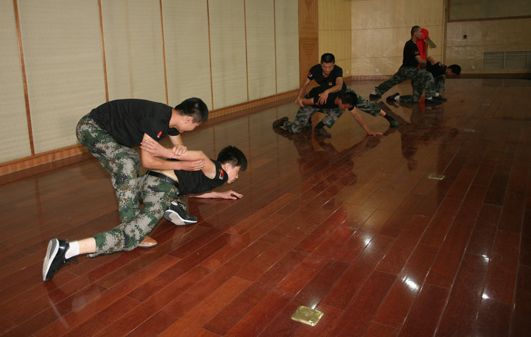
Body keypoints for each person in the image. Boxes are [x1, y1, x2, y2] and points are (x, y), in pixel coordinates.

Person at [42, 144, 247, 281]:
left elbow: (194, 192)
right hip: (161, 188)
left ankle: (174, 206)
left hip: (145, 181)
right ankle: (67, 249)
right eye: (237, 172)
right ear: (228, 165)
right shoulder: (219, 172)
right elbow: (200, 155)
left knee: (179, 198)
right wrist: (163, 150)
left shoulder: (211, 175)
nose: (236, 177)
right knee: (132, 235)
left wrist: (220, 194)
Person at [76, 97, 208, 247]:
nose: (195, 128)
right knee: (125, 164)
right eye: (196, 125)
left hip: (108, 133)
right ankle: (132, 231)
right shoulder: (157, 121)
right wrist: (182, 165)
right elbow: (148, 162)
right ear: (188, 119)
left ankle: (138, 194)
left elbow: (176, 137)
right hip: (91, 128)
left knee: (132, 158)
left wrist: (180, 146)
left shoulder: (170, 118)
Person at [273, 90, 396, 138]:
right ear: (340, 100)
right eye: (345, 106)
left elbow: (357, 115)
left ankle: (319, 127)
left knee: (339, 110)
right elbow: (304, 103)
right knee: (295, 130)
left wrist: (368, 132)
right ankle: (284, 122)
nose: (346, 109)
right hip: (309, 105)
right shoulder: (322, 98)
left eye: (348, 107)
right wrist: (300, 101)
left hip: (327, 107)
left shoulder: (345, 99)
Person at [369, 26, 443, 104]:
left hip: (410, 70)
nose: (421, 34)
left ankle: (393, 97)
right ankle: (429, 98)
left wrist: (429, 63)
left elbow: (420, 62)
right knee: (428, 74)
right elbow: (420, 61)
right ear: (415, 33)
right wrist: (432, 63)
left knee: (413, 97)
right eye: (420, 32)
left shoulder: (414, 45)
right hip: (408, 69)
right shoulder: (411, 44)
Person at [386, 56, 461, 103]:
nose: (451, 76)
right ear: (450, 70)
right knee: (415, 99)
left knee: (441, 76)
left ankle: (435, 95)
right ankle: (395, 97)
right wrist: (424, 64)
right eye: (452, 74)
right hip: (418, 80)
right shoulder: (439, 67)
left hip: (424, 80)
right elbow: (430, 58)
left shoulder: (443, 71)